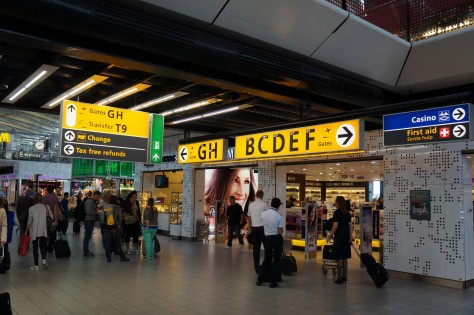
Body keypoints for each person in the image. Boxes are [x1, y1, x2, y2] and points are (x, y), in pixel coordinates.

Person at [256, 198, 284, 288]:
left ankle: (259, 279)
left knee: (266, 259)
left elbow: (262, 224)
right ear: (278, 205)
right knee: (276, 260)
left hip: (267, 239)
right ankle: (272, 281)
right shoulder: (278, 216)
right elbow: (280, 231)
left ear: (271, 204)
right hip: (276, 239)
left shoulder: (263, 214)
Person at [326, 196, 353, 284]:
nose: (335, 203)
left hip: (339, 237)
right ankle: (345, 276)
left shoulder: (337, 212)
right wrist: (350, 237)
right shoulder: (347, 213)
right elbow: (350, 226)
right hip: (346, 237)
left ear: (338, 203)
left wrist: (330, 235)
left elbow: (335, 226)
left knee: (339, 258)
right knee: (345, 258)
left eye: (335, 202)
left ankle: (339, 277)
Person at [25, 193, 53, 271]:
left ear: (34, 199)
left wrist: (26, 231)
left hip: (34, 230)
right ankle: (43, 259)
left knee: (35, 247)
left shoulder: (31, 208)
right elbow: (52, 217)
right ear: (41, 199)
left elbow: (29, 222)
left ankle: (36, 265)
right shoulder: (46, 207)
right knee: (43, 245)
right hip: (43, 229)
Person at [100, 190, 129, 262]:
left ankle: (108, 258)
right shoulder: (117, 207)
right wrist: (118, 225)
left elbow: (102, 217)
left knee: (107, 243)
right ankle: (122, 257)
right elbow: (120, 219)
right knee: (117, 242)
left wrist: (103, 223)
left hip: (106, 227)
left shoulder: (105, 206)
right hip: (114, 227)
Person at [247, 189, 267, 274]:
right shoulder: (265, 204)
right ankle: (266, 265)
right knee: (267, 248)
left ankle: (257, 269)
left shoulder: (251, 205)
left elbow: (249, 217)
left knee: (256, 250)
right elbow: (267, 217)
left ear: (256, 195)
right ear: (262, 195)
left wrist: (249, 228)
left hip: (254, 229)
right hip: (263, 229)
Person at [83, 190, 101, 257]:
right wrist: (97, 213)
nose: (98, 198)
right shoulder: (90, 202)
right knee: (87, 236)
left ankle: (87, 251)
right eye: (98, 197)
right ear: (95, 195)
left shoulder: (93, 201)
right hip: (88, 220)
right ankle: (85, 251)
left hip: (91, 220)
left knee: (88, 236)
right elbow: (88, 211)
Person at [43, 186, 60, 253]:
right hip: (52, 218)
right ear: (53, 190)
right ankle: (50, 247)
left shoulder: (44, 197)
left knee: (45, 233)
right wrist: (56, 220)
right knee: (53, 233)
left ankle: (45, 246)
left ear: (47, 190)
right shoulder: (55, 198)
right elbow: (55, 210)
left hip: (45, 218)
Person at [123, 190, 141, 255]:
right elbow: (124, 210)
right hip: (128, 221)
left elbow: (138, 211)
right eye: (136, 194)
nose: (137, 196)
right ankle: (127, 249)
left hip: (135, 221)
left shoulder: (137, 202)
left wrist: (139, 219)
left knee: (135, 235)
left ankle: (136, 249)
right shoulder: (126, 202)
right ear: (133, 194)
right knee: (127, 235)